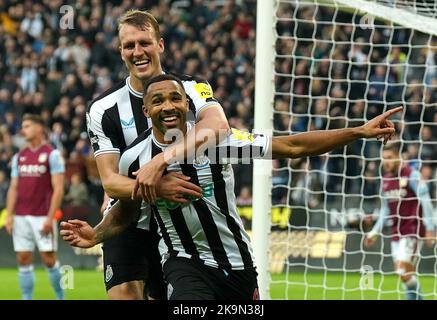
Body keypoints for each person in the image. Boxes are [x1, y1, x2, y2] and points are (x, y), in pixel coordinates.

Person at [63, 74, 402, 300]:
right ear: (146, 108)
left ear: (186, 104)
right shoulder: (133, 159)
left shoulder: (219, 142)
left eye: (175, 99)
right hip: (184, 265)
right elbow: (125, 213)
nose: (168, 106)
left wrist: (358, 131)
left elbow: (293, 146)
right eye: (158, 101)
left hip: (239, 265)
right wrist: (97, 234)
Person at [86, 10, 228, 299]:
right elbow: (111, 183)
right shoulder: (103, 108)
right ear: (121, 51)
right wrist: (157, 186)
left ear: (160, 45)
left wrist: (160, 161)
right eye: (129, 46)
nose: (137, 52)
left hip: (182, 222)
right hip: (127, 218)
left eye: (144, 43)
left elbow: (218, 125)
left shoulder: (191, 87)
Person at [365, 142, 435, 300]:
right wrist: (374, 232)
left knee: (403, 272)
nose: (386, 162)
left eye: (389, 158)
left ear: (398, 157)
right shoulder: (386, 181)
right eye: (384, 158)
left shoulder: (411, 174)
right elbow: (385, 210)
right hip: (396, 234)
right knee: (405, 277)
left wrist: (430, 228)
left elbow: (425, 200)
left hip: (412, 231)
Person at [5, 114, 65, 300]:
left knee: (49, 259)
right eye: (23, 126)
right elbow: (13, 188)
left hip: (42, 216)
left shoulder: (52, 155)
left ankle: (60, 296)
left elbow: (59, 189)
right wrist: (9, 215)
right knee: (23, 258)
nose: (24, 129)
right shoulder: (19, 157)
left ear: (39, 128)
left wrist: (50, 217)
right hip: (21, 216)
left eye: (28, 125)